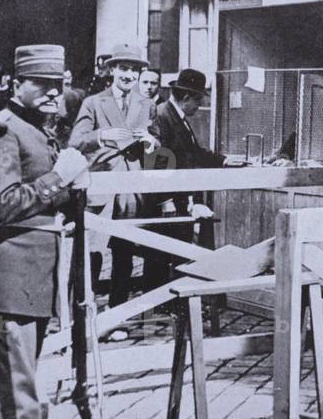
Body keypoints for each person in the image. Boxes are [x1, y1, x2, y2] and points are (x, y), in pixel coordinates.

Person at [0, 44, 89, 419]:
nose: (52, 92)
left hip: (31, 281)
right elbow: (5, 204)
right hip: (8, 280)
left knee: (3, 388)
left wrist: (69, 193)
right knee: (20, 398)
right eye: (41, 83)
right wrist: (59, 176)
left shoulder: (35, 130)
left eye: (57, 85)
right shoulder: (1, 131)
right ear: (17, 84)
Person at [69, 43, 158, 338]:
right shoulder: (94, 103)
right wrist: (102, 135)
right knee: (92, 253)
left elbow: (155, 144)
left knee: (124, 252)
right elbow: (75, 141)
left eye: (134, 70)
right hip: (101, 184)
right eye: (123, 68)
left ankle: (116, 317)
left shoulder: (145, 104)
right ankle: (80, 318)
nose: (129, 75)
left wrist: (150, 142)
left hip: (130, 187)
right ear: (111, 70)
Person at [144, 69, 230, 290]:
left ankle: (173, 301)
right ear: (186, 98)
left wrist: (225, 162)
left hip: (180, 195)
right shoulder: (162, 116)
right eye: (198, 101)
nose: (198, 106)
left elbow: (194, 151)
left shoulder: (178, 117)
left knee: (177, 249)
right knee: (161, 252)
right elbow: (155, 160)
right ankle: (158, 303)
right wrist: (165, 200)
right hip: (167, 199)